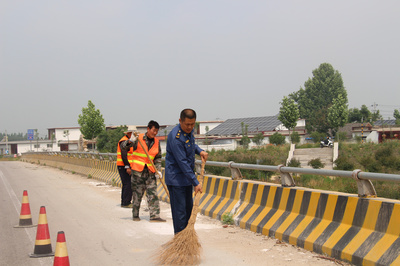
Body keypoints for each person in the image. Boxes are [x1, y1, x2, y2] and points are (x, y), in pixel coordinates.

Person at [165, 108, 208, 234]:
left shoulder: (188, 132)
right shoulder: (175, 137)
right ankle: (179, 243)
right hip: (176, 180)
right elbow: (182, 163)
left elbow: (191, 144)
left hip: (186, 180)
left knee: (188, 212)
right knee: (180, 215)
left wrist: (200, 150)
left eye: (192, 124)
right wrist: (196, 182)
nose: (190, 127)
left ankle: (187, 240)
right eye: (187, 124)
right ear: (180, 121)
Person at [121, 120, 166, 222]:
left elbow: (158, 157)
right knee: (137, 194)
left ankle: (154, 216)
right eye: (153, 130)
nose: (155, 133)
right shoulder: (138, 138)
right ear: (148, 129)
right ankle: (135, 215)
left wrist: (158, 170)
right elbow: (123, 147)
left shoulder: (157, 142)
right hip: (138, 172)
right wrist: (130, 141)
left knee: (152, 193)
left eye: (157, 131)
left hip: (150, 172)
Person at [116, 126, 135, 208]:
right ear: (129, 133)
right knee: (128, 184)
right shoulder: (123, 141)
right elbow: (124, 155)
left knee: (127, 184)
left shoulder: (130, 142)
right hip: (123, 165)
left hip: (126, 165)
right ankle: (126, 202)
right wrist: (127, 166)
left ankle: (125, 201)